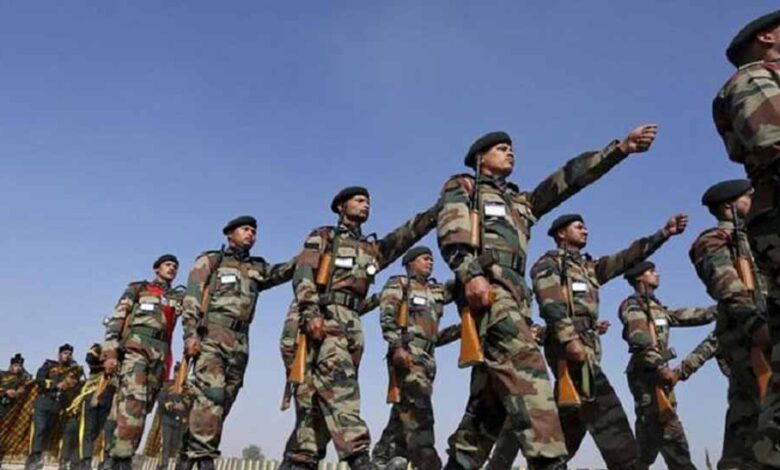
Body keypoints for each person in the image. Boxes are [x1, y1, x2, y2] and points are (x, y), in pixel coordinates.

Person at [618, 261, 716, 470]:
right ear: (639, 277)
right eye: (651, 271)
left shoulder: (658, 308)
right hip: (648, 376)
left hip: (657, 377)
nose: (657, 274)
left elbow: (688, 316)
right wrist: (660, 367)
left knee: (647, 442)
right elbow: (639, 339)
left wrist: (718, 310)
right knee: (671, 436)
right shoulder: (633, 305)